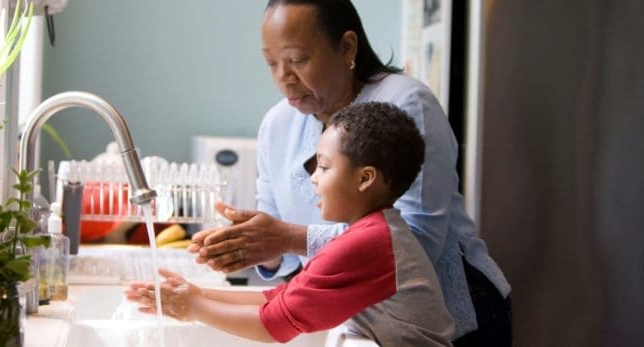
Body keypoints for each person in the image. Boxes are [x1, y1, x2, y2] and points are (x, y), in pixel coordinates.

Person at [188, 0, 512, 345]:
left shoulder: (405, 104)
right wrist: (255, 247)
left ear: (346, 47)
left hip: (455, 321)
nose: (283, 76)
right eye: (271, 62)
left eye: (297, 60)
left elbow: (415, 244)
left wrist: (286, 238)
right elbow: (279, 252)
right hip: (366, 326)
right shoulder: (276, 125)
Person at [127, 102, 455, 345]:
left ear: (365, 178)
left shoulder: (370, 243)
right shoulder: (372, 232)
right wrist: (199, 295)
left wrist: (193, 308)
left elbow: (275, 324)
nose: (313, 178)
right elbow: (281, 297)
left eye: (324, 167)